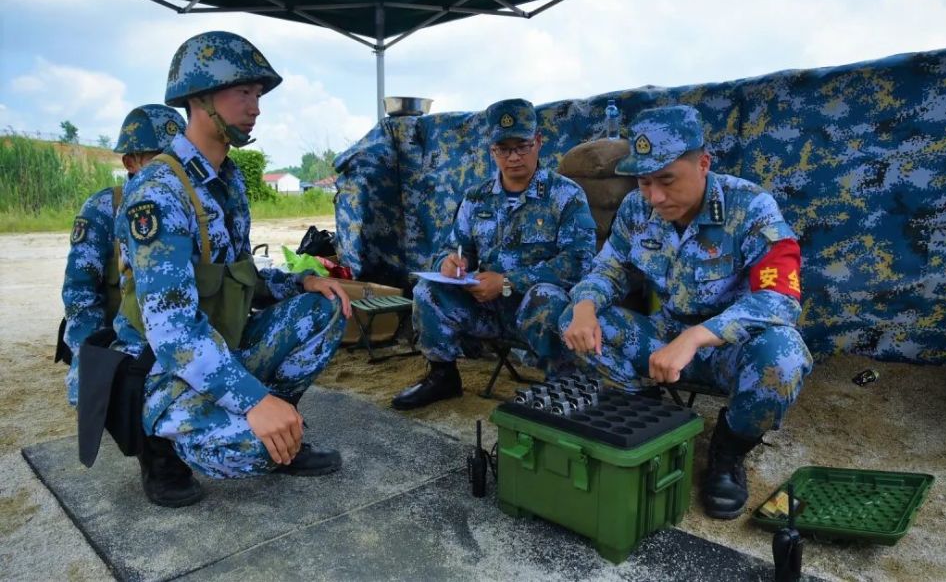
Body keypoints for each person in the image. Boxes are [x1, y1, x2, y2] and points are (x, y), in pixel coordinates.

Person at [112, 31, 352, 507]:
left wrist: (303, 280)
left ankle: (286, 426)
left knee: (321, 308)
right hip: (162, 367)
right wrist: (252, 400)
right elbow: (174, 332)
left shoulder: (228, 180)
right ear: (200, 98)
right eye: (243, 93)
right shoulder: (159, 193)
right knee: (252, 455)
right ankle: (164, 451)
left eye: (257, 95)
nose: (255, 107)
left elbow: (239, 272)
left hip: (222, 341)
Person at [539, 104, 812, 519]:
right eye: (645, 182)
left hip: (727, 347)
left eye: (666, 180)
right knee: (572, 321)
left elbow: (780, 298)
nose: (655, 196)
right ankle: (650, 415)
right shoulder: (636, 208)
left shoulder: (751, 206)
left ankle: (727, 451)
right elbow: (609, 268)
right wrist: (585, 305)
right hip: (661, 340)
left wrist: (696, 336)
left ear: (703, 164)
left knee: (784, 356)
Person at [391, 98, 597, 411]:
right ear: (492, 151)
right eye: (504, 149)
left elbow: (578, 262)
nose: (514, 157)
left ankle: (563, 384)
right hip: (486, 309)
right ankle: (443, 375)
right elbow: (455, 247)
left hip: (536, 311)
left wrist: (507, 282)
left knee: (545, 297)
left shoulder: (565, 195)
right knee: (427, 290)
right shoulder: (476, 198)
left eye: (522, 146)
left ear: (538, 143)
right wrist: (450, 263)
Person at [60, 105, 186, 407]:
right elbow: (80, 292)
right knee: (101, 401)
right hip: (116, 334)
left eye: (177, 157)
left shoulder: (190, 205)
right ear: (131, 162)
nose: (171, 166)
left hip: (171, 337)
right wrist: (90, 357)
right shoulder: (104, 207)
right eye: (159, 157)